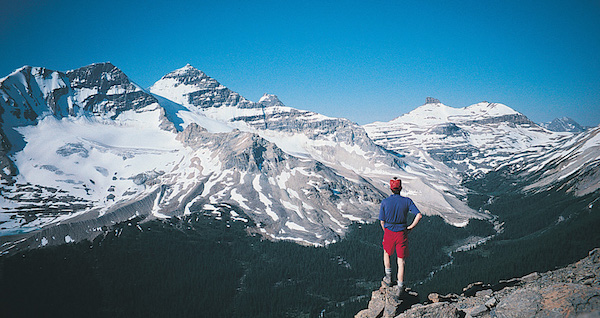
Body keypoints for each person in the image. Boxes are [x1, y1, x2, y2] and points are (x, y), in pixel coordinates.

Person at [379, 177, 422, 295]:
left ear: (390, 188)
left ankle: (388, 277)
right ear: (401, 188)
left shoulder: (385, 202)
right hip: (402, 232)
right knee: (401, 261)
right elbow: (419, 215)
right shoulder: (407, 201)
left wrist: (386, 231)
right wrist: (410, 228)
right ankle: (400, 288)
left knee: (386, 253)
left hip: (389, 231)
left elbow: (382, 221)